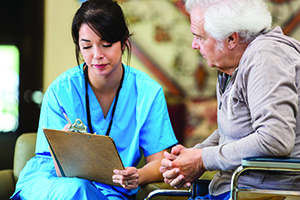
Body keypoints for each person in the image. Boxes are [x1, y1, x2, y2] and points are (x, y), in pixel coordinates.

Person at [11, 0, 177, 199]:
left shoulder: (148, 93)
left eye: (106, 44)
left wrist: (139, 175)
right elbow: (59, 169)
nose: (97, 55)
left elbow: (160, 162)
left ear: (124, 43)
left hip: (112, 189)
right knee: (77, 188)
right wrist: (64, 148)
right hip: (52, 181)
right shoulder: (60, 91)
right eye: (87, 46)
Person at [160, 0, 300, 199]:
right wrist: (193, 155)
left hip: (259, 193)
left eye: (200, 37)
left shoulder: (265, 59)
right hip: (235, 187)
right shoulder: (234, 64)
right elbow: (237, 130)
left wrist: (202, 160)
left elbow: (274, 139)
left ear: (231, 40)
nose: (194, 45)